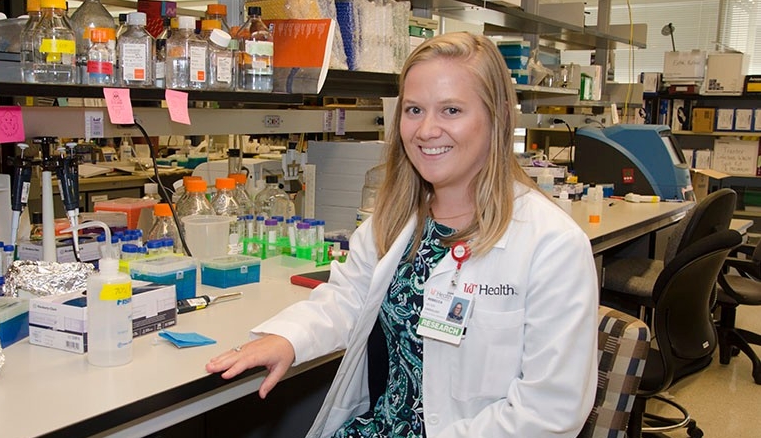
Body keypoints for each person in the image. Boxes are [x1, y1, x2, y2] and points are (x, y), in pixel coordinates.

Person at [206, 32, 598, 437]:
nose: (426, 130)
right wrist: (288, 339)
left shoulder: (552, 245)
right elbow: (348, 298)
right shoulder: (396, 220)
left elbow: (549, 413)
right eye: (414, 110)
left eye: (451, 110)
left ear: (496, 116)